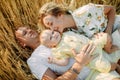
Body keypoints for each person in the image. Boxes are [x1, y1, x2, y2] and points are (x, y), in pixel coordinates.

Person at [15, 26, 96, 80]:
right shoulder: (34, 60)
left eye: (28, 28)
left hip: (99, 55)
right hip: (90, 76)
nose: (29, 31)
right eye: (25, 33)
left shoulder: (53, 33)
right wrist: (79, 64)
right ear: (23, 44)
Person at [38, 2, 120, 54]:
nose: (52, 29)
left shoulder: (86, 11)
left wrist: (108, 32)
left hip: (115, 25)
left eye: (51, 23)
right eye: (49, 27)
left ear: (60, 15)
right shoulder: (68, 34)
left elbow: (111, 9)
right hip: (109, 43)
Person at [39, 29, 120, 80]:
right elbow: (64, 62)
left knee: (106, 37)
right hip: (90, 58)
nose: (54, 35)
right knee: (105, 66)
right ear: (50, 45)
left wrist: (96, 35)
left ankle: (109, 49)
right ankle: (116, 66)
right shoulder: (58, 50)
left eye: (52, 32)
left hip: (93, 43)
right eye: (50, 38)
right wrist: (53, 60)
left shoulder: (66, 33)